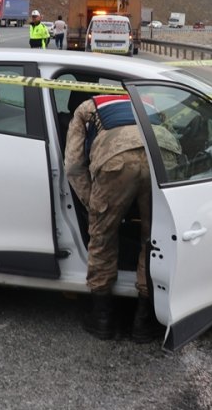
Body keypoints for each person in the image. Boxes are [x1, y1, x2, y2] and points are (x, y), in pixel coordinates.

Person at [64, 93, 181, 342]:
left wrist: (93, 204)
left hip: (115, 159)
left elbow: (73, 165)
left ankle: (102, 319)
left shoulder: (85, 109)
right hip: (162, 156)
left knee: (102, 237)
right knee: (154, 240)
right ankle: (144, 321)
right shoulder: (148, 103)